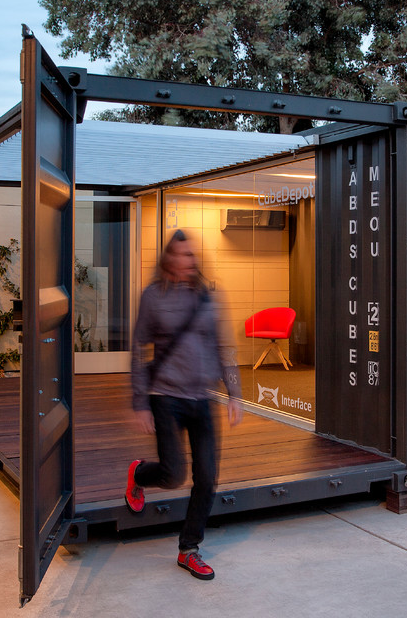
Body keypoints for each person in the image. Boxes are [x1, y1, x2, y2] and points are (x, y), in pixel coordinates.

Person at [125, 229, 243, 580]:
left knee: (207, 478)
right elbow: (138, 349)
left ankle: (188, 549)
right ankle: (139, 473)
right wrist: (139, 402)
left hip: (202, 398)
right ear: (169, 259)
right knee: (174, 474)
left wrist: (234, 391)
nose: (189, 260)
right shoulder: (153, 297)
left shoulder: (208, 297)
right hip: (165, 396)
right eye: (182, 254)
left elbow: (224, 345)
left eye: (192, 255)